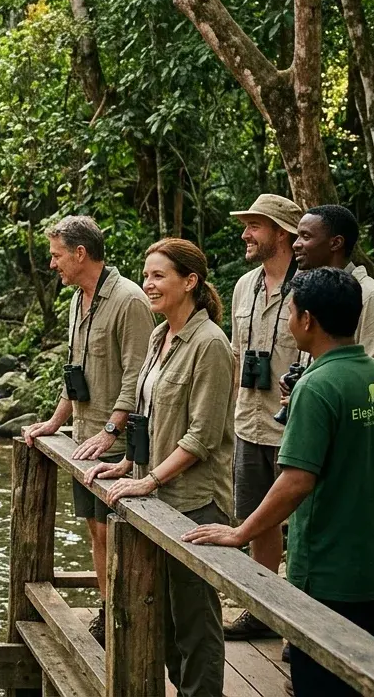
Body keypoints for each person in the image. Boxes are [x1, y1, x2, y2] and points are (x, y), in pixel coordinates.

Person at [183, 268, 374, 697]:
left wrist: (241, 532)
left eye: (290, 313)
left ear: (307, 320)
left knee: (319, 682)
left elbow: (297, 480)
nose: (287, 322)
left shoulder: (317, 386)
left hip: (328, 567)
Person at [86, 238, 234, 697]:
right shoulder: (158, 334)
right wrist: (128, 462)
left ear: (190, 282)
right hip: (156, 500)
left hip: (195, 504)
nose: (147, 284)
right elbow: (147, 414)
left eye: (158, 276)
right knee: (163, 621)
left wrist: (148, 479)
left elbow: (202, 437)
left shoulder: (210, 344)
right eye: (145, 275)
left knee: (195, 623)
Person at [23, 215, 153, 643]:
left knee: (115, 532)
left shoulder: (130, 299)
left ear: (81, 253)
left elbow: (138, 373)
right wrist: (55, 422)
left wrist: (112, 431)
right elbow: (75, 370)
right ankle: (107, 610)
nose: (52, 264)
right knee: (95, 530)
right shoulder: (78, 299)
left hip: (115, 441)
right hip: (83, 436)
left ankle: (127, 618)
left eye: (57, 256)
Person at [223, 195, 303, 641]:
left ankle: (304, 625)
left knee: (304, 527)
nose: (245, 234)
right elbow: (237, 357)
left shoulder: (310, 286)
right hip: (249, 424)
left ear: (282, 233)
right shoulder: (244, 286)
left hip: (295, 429)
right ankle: (264, 611)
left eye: (255, 226)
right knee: (257, 522)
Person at [292, 204, 374, 378]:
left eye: (305, 236)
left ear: (336, 243)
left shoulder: (369, 297)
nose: (296, 244)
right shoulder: (315, 294)